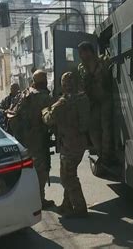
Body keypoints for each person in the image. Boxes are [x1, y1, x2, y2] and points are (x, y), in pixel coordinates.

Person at [42, 72, 90, 218]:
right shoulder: (83, 98)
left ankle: (80, 207)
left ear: (64, 85)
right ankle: (66, 204)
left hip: (69, 144)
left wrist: (44, 110)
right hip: (80, 143)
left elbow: (48, 119)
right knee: (69, 172)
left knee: (67, 177)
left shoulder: (63, 102)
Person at [9, 70, 54, 209]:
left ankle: (27, 199)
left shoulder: (24, 94)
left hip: (23, 138)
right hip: (39, 139)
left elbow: (12, 113)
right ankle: (40, 200)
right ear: (44, 81)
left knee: (27, 170)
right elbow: (51, 119)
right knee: (41, 170)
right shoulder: (44, 97)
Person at [76, 41, 113, 166]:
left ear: (90, 51)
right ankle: (101, 153)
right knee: (93, 130)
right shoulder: (81, 68)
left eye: (83, 52)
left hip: (105, 98)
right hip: (93, 101)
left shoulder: (104, 61)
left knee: (106, 126)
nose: (82, 55)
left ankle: (106, 156)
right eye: (80, 53)